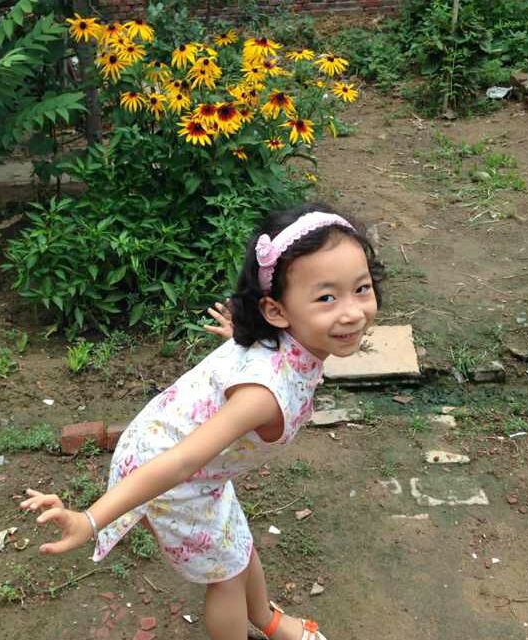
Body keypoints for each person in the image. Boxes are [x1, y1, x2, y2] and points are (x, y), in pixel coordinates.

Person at [21, 202, 384, 640]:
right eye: (326, 297)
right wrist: (90, 519)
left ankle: (269, 621)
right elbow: (180, 462)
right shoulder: (262, 397)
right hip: (170, 475)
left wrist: (239, 339)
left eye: (361, 288)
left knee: (236, 545)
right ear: (276, 311)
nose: (352, 312)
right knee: (226, 575)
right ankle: (258, 623)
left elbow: (262, 360)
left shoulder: (284, 340)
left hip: (185, 458)